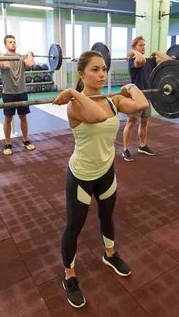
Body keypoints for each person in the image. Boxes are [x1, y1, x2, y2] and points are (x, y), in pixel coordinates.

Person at [53, 50, 149, 308]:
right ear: (81, 74)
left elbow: (140, 105)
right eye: (95, 69)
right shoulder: (75, 105)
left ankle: (109, 254)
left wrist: (129, 86)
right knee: (74, 227)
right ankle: (69, 276)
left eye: (104, 68)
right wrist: (74, 93)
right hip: (81, 176)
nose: (102, 73)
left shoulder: (113, 100)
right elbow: (96, 116)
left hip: (106, 172)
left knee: (107, 217)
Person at [122, 36, 171, 162]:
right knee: (131, 123)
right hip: (135, 98)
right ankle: (126, 149)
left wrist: (155, 52)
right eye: (140, 45)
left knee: (144, 122)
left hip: (147, 96)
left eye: (144, 45)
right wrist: (134, 52)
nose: (143, 47)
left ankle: (142, 146)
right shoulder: (133, 61)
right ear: (134, 47)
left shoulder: (151, 60)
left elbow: (168, 60)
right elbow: (140, 60)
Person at [0, 35, 35, 155]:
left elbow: (31, 64)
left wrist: (29, 53)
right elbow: (5, 65)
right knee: (8, 118)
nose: (13, 44)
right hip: (8, 93)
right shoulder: (2, 58)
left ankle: (26, 140)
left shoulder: (22, 57)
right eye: (10, 42)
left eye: (14, 42)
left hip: (22, 92)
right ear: (5, 45)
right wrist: (0, 53)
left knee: (23, 117)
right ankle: (8, 143)